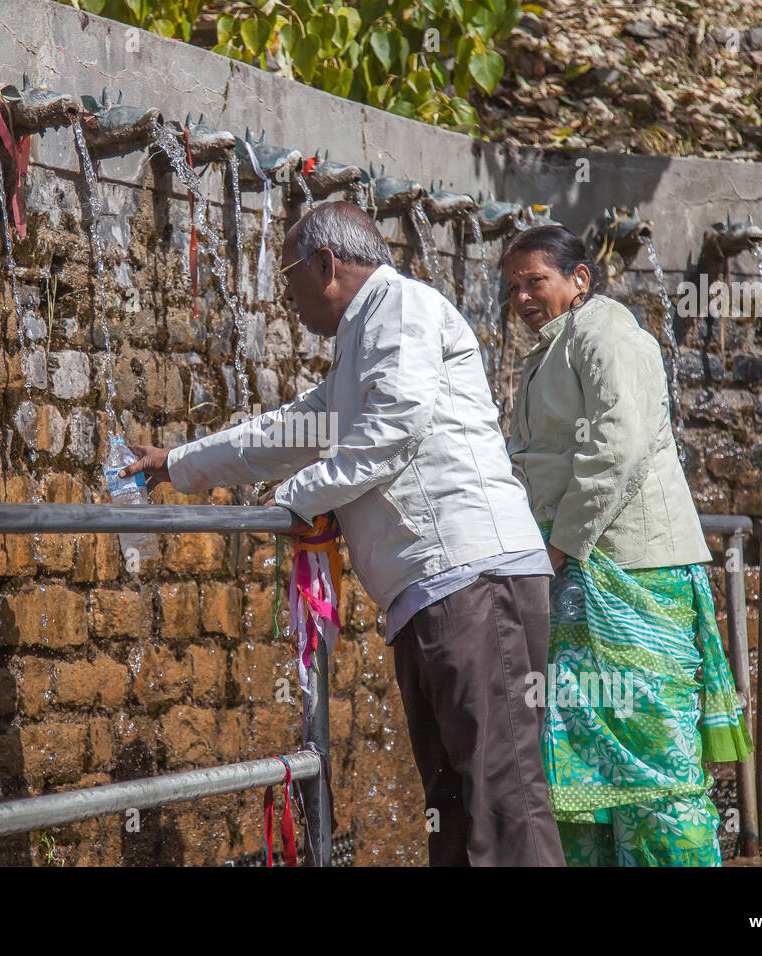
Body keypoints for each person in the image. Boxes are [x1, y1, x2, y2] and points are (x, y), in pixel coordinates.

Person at [123, 201, 565, 866]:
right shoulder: (362, 339)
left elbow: (393, 430)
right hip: (435, 588)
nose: (288, 299)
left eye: (289, 278)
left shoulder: (402, 309)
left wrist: (299, 496)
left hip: (475, 576)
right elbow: (293, 430)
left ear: (326, 265)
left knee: (501, 789)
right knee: (453, 792)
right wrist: (178, 464)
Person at [501, 224, 752, 867]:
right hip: (586, 572)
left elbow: (617, 448)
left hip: (632, 572)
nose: (523, 297)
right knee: (586, 767)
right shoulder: (554, 349)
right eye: (514, 287)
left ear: (580, 278)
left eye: (537, 281)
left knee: (654, 762)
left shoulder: (606, 333)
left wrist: (555, 550)